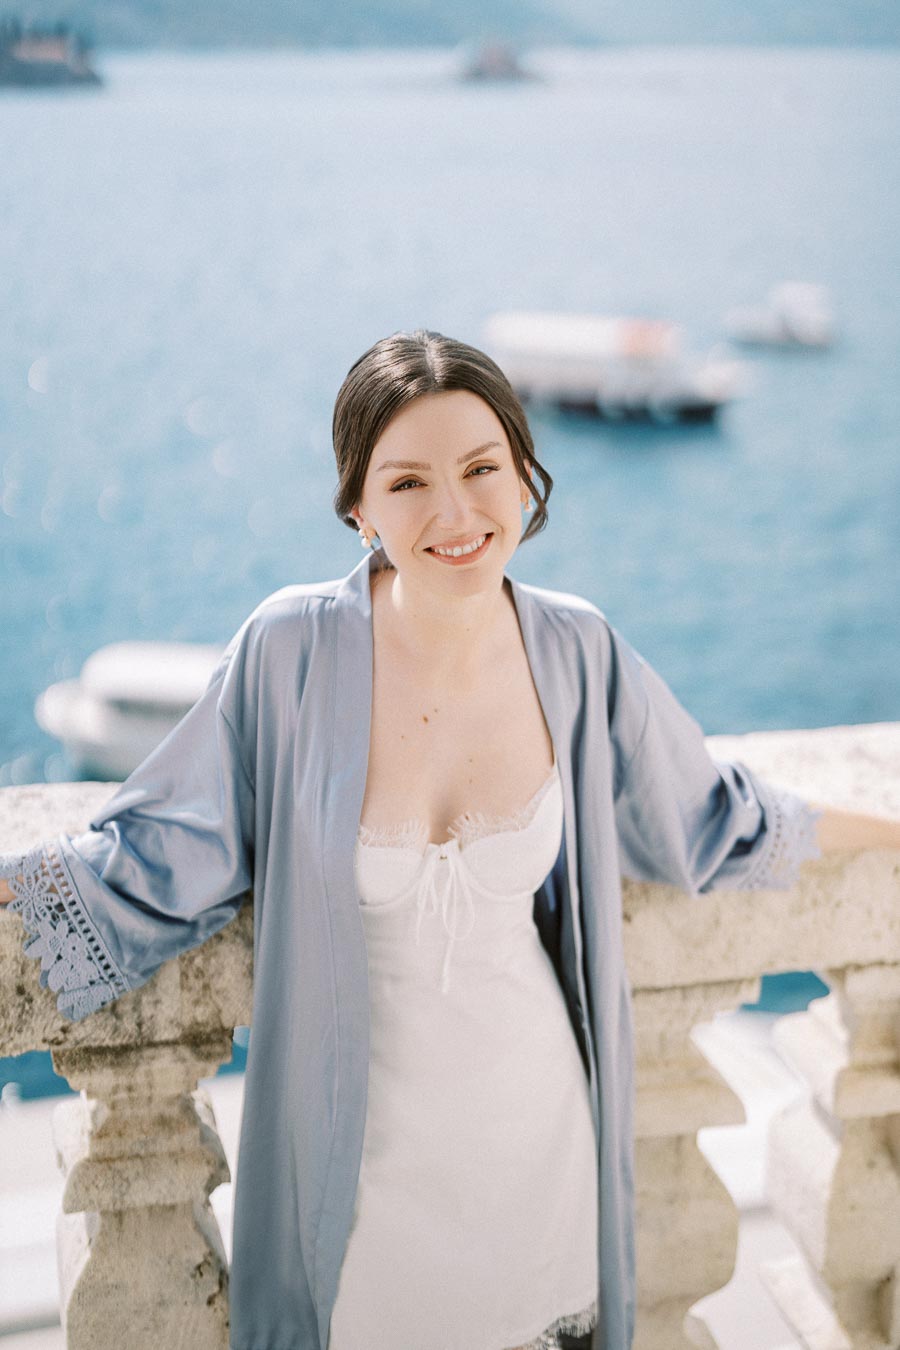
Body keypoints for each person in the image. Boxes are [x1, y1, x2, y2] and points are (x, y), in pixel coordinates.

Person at [2, 328, 899, 1350]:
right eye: (408, 483)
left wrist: (891, 830)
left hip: (537, 1138)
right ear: (358, 507)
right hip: (353, 1168)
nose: (455, 513)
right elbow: (166, 848)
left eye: (482, 470)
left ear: (525, 474)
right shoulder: (290, 651)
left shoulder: (577, 650)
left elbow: (711, 815)